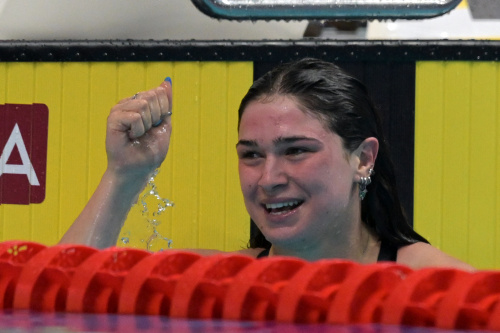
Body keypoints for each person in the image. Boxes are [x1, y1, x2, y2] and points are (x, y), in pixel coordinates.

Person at [60, 59, 474, 271]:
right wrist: (123, 176)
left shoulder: (429, 284)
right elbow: (54, 322)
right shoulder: (218, 285)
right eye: (251, 155)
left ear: (362, 158)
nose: (268, 178)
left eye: (296, 150)